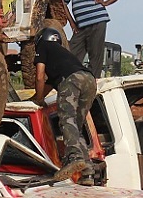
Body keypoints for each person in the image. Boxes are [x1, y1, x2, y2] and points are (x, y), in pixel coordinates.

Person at [29, 27, 97, 184]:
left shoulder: (43, 47)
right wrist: (36, 97)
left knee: (66, 119)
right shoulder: (62, 55)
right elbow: (46, 85)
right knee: (75, 127)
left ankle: (74, 158)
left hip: (72, 80)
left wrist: (39, 101)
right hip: (89, 80)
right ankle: (88, 173)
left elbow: (39, 77)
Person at [62, 0, 123, 77]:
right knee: (71, 54)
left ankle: (93, 82)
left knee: (95, 55)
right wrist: (72, 23)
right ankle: (71, 79)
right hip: (80, 25)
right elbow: (63, 3)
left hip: (98, 22)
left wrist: (105, 3)